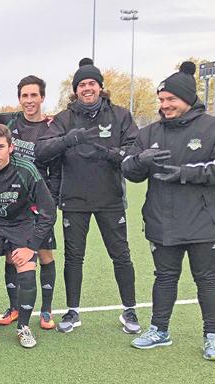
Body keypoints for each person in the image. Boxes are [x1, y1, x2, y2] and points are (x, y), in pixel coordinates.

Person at [122, 61, 215, 360]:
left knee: (206, 278)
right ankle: (159, 330)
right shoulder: (150, 132)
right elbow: (128, 168)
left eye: (171, 100)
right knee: (164, 276)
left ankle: (213, 336)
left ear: (187, 99)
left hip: (205, 220)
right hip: (162, 220)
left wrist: (183, 172)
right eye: (161, 100)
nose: (165, 105)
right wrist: (143, 161)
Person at [37, 58, 141, 334]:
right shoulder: (64, 119)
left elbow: (134, 150)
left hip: (110, 198)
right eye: (82, 84)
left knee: (121, 255)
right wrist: (67, 140)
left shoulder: (119, 115)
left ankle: (129, 310)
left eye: (91, 83)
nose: (87, 88)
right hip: (74, 199)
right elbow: (42, 150)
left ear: (100, 86)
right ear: (75, 90)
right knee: (74, 257)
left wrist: (112, 155)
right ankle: (73, 311)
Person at [0, 124, 56, 348]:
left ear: (11, 147)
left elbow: (48, 212)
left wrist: (31, 247)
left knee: (26, 274)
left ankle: (23, 326)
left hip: (21, 225)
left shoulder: (27, 170)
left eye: (0, 147)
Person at [0, 75, 60, 329]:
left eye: (34, 95)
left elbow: (56, 169)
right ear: (19, 98)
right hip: (14, 204)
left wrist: (51, 200)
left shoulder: (52, 127)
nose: (29, 100)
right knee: (13, 257)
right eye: (25, 95)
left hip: (38, 202)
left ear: (42, 97)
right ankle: (14, 307)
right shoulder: (10, 122)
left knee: (44, 254)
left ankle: (46, 310)